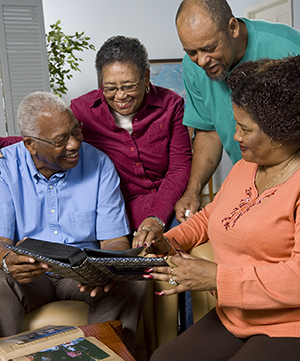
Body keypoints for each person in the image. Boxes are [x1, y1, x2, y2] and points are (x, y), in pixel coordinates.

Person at [143, 55, 300, 361]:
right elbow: (212, 215)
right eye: (235, 124)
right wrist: (168, 240)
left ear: (284, 131)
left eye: (246, 128)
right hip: (235, 315)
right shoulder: (245, 167)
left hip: (290, 325)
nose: (236, 136)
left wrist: (216, 278)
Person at [0, 35, 192, 244]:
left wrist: (156, 218)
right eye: (110, 88)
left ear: (146, 77)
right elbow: (51, 139)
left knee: (179, 252)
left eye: (128, 86)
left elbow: (180, 168)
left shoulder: (172, 105)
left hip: (165, 206)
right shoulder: (83, 110)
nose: (120, 96)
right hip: (118, 213)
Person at [0, 91, 147, 354]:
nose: (74, 144)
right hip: (32, 277)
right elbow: (1, 242)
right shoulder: (5, 168)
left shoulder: (99, 163)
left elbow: (114, 240)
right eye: (60, 140)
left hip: (81, 276)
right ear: (30, 144)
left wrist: (106, 267)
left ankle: (108, 359)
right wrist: (7, 260)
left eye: (75, 131)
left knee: (131, 279)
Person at [174, 0, 300, 223]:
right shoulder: (192, 66)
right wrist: (193, 191)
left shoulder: (287, 46)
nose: (201, 61)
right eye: (192, 51)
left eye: (210, 48)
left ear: (232, 28)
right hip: (250, 182)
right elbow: (208, 131)